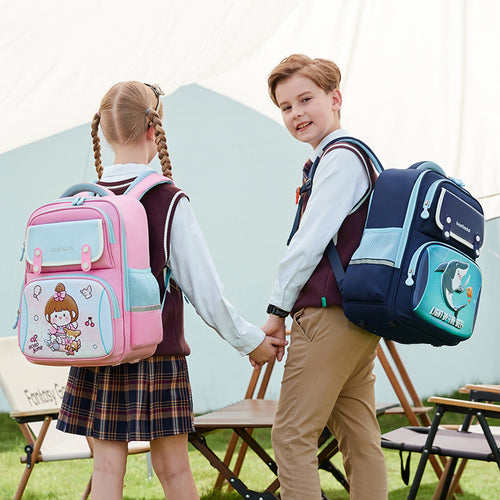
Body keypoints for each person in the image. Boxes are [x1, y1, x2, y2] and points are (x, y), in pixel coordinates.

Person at [56, 81, 287, 500]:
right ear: (153, 128)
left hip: (97, 349)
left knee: (106, 468)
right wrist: (249, 340)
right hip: (155, 353)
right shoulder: (167, 199)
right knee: (174, 470)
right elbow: (205, 290)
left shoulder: (86, 199)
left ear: (105, 132)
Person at [260, 55, 388, 499]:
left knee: (291, 437)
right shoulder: (355, 157)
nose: (296, 113)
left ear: (335, 98)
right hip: (355, 320)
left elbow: (307, 245)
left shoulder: (340, 159)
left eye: (305, 99)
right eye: (285, 106)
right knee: (359, 439)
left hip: (327, 317)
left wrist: (276, 312)